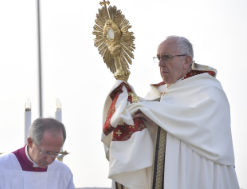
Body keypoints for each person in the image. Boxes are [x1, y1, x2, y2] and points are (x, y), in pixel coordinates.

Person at [101, 36, 239, 189]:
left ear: (187, 61)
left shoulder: (209, 91)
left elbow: (200, 130)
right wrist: (124, 104)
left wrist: (159, 122)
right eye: (158, 58)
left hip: (198, 172)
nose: (160, 64)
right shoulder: (156, 93)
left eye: (166, 57)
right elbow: (150, 121)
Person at [0, 118, 75, 189]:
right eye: (45, 152)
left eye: (56, 153)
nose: (50, 160)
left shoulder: (63, 173)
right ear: (30, 142)